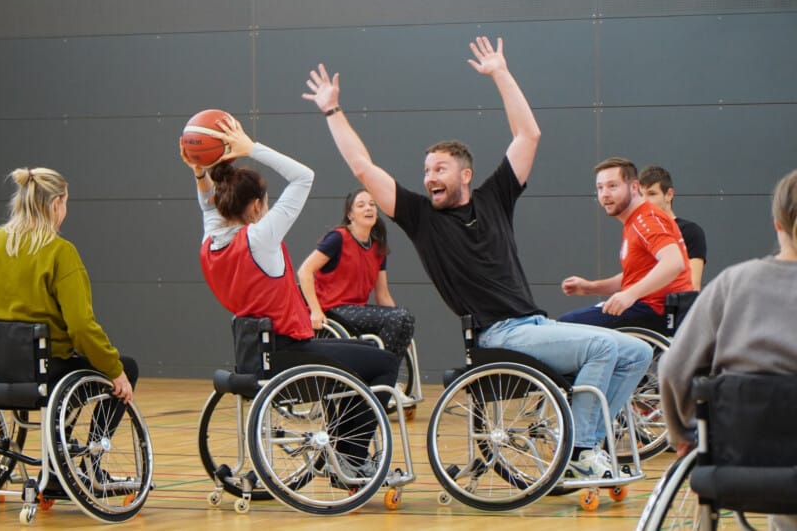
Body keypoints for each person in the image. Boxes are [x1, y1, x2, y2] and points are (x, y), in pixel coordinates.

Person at [304, 36, 652, 480]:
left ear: (464, 175)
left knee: (638, 352)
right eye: (427, 170)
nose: (430, 176)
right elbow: (361, 166)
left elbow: (529, 134)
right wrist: (333, 111)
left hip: (536, 325)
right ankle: (580, 450)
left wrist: (500, 73)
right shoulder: (420, 218)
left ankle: (585, 435)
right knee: (603, 346)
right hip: (498, 333)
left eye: (440, 169)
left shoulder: (495, 198)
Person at [182, 117, 399, 474]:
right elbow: (304, 176)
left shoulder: (211, 242)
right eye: (265, 203)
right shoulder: (259, 237)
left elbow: (209, 205)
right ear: (255, 207)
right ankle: (351, 459)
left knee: (366, 352)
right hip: (291, 357)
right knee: (385, 362)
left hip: (256, 357)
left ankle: (342, 451)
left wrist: (199, 170)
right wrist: (251, 149)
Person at [660, 169, 797, 531]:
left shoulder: (734, 283)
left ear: (776, 225)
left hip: (743, 460)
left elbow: (673, 369)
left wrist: (684, 434)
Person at [0, 168, 137, 402]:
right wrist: (114, 370)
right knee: (127, 367)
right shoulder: (60, 251)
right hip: (44, 370)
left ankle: (61, 433)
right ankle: (92, 438)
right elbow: (81, 327)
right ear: (56, 204)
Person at [560, 158, 694, 333]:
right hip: (648, 307)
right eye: (600, 188)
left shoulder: (646, 219)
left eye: (612, 186)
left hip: (656, 310)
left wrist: (630, 295)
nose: (605, 194)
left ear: (634, 187)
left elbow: (674, 262)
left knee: (566, 326)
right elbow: (635, 276)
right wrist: (590, 287)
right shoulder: (634, 222)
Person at [297, 188, 415, 357]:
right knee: (400, 317)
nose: (368, 208)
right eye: (361, 205)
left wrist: (405, 331)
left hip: (357, 311)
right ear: (350, 215)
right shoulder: (338, 238)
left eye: (372, 205)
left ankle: (384, 375)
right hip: (333, 309)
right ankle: (376, 365)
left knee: (405, 319)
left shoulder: (378, 247)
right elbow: (304, 271)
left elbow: (382, 295)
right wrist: (315, 311)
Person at [638, 165, 707, 290]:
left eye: (652, 194)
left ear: (669, 194)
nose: (645, 201)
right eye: (641, 195)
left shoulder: (690, 231)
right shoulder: (639, 233)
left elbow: (692, 285)